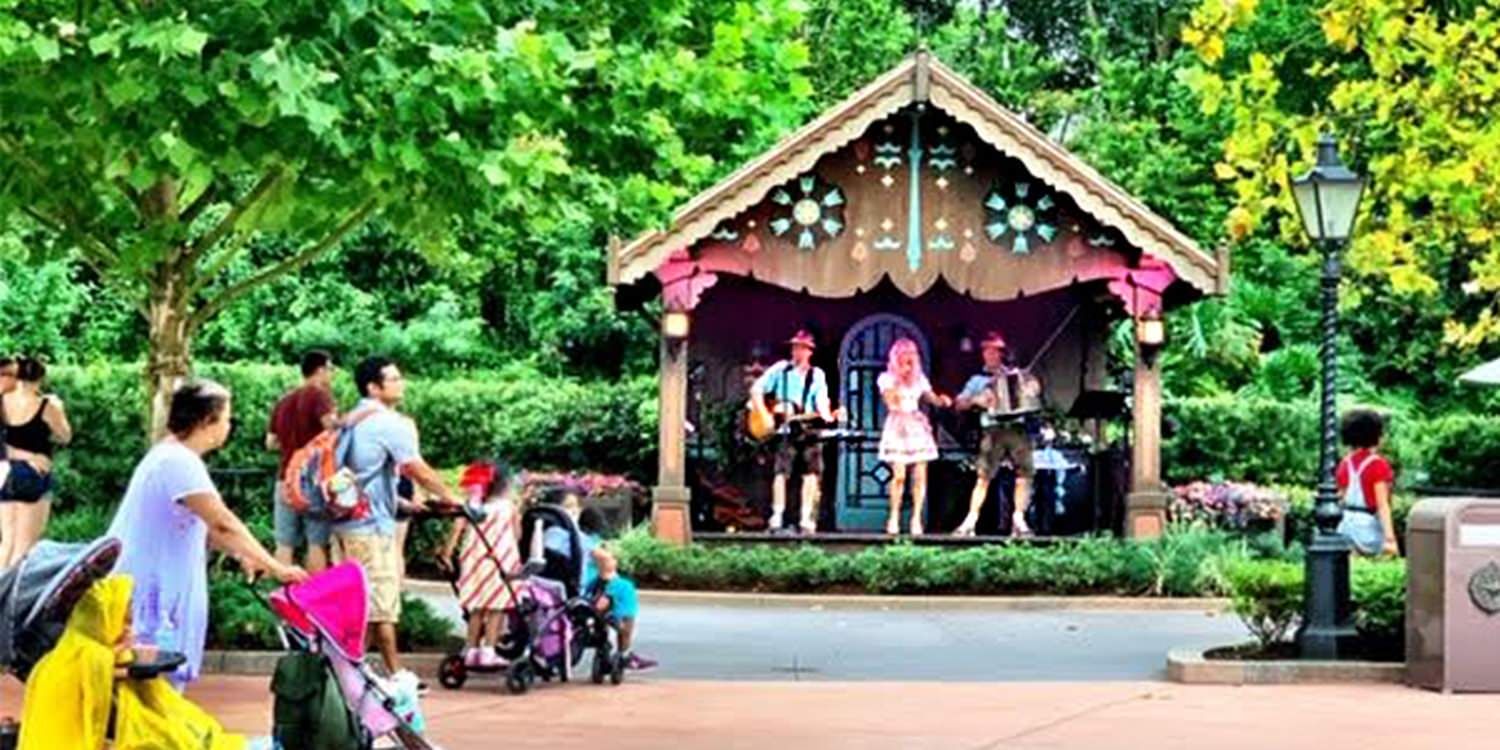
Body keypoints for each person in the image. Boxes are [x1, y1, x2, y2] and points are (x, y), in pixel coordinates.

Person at [107, 379, 307, 689]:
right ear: (206, 422)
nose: (229, 426)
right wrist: (276, 567)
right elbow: (222, 522)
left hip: (151, 585)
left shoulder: (170, 456)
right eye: (227, 418)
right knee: (152, 681)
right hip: (152, 590)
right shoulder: (179, 463)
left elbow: (206, 527)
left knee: (152, 682)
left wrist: (242, 553)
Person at [19, 574, 267, 750]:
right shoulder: (87, 657)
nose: (129, 629)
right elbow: (101, 675)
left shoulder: (85, 648)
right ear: (102, 619)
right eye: (123, 621)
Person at [335, 356, 460, 675]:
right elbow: (415, 468)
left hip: (344, 522)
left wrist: (402, 504)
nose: (401, 382)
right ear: (373, 387)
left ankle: (353, 674)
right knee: (381, 606)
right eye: (394, 378)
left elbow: (365, 473)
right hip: (370, 528)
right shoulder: (388, 422)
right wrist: (451, 498)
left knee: (359, 603)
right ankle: (395, 676)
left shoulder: (352, 419)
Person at [543, 492, 657, 672]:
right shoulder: (575, 537)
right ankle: (624, 650)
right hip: (579, 592)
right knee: (624, 588)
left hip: (543, 589)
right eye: (571, 506)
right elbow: (606, 562)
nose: (576, 510)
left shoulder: (543, 534)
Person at [748, 330, 843, 534]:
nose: (796, 351)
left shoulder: (816, 375)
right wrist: (765, 414)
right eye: (794, 347)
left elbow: (821, 401)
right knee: (781, 470)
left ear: (809, 352)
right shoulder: (780, 370)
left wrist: (828, 415)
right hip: (784, 429)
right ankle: (777, 516)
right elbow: (756, 389)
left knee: (811, 471)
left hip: (808, 427)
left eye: (801, 347)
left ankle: (806, 518)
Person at [953, 331, 1042, 537]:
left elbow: (1034, 390)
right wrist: (977, 400)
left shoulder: (1017, 374)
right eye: (987, 351)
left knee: (1024, 473)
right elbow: (959, 403)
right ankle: (970, 520)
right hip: (993, 429)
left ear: (1002, 354)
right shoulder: (978, 380)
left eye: (994, 351)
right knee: (983, 476)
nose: (990, 355)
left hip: (1017, 428)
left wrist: (1031, 389)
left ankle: (1019, 519)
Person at [437, 460, 520, 669]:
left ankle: (471, 649)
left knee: (477, 608)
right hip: (500, 559)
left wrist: (447, 553)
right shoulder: (508, 507)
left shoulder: (473, 507)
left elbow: (457, 529)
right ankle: (489, 651)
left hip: (473, 561)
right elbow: (517, 534)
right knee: (496, 608)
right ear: (505, 485)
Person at [266, 350, 337, 574]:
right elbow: (332, 429)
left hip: (285, 478)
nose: (332, 374)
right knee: (316, 542)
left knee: (284, 543)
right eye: (330, 369)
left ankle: (284, 599)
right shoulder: (320, 396)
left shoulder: (284, 401)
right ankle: (314, 600)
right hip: (313, 479)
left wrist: (292, 444)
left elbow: (270, 442)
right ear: (320, 369)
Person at [1, 356, 73, 567]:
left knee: (6, 543)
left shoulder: (3, 400)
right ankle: (13, 598)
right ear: (41, 378)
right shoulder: (47, 405)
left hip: (4, 472)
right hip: (34, 474)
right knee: (25, 548)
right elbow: (65, 436)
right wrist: (59, 408)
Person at [876, 339, 951, 536]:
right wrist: (899, 378)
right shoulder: (886, 378)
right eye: (903, 354)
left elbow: (931, 398)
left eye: (911, 354)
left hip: (916, 426)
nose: (908, 358)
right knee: (899, 476)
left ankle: (916, 518)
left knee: (919, 475)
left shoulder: (920, 379)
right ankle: (893, 517)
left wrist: (942, 400)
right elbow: (891, 402)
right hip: (898, 425)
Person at [1335, 409, 1399, 557]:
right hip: (1367, 526)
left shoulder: (1345, 463)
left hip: (1345, 524)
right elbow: (1382, 505)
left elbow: (1341, 497)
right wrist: (1390, 538)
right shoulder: (1378, 465)